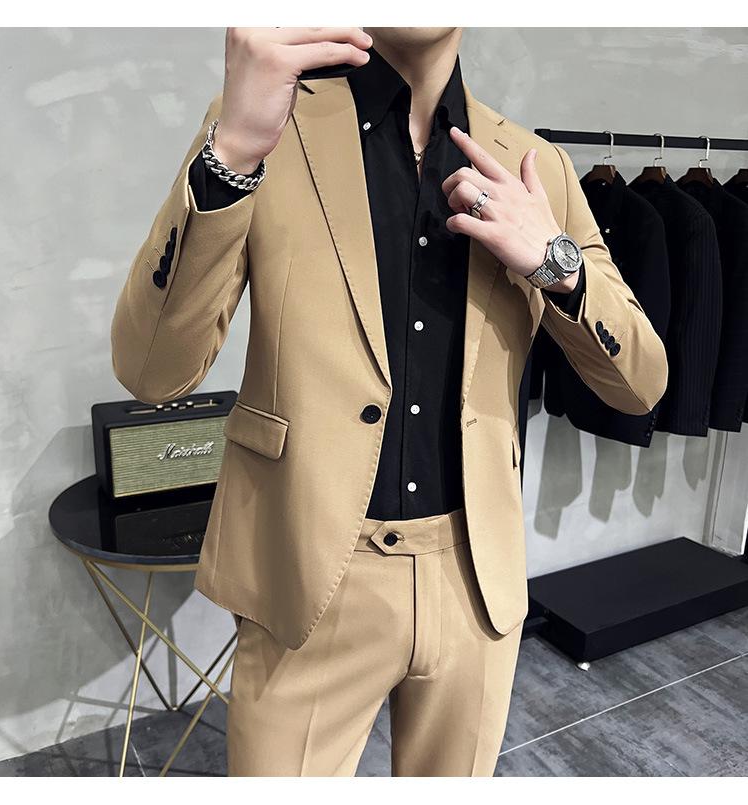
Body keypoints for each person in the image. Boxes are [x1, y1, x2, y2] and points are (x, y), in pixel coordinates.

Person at [111, 27, 668, 776]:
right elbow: (152, 371)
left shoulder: (534, 167)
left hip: (475, 582)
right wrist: (232, 152)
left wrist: (555, 262)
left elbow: (640, 383)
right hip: (308, 576)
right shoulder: (266, 124)